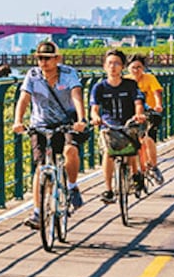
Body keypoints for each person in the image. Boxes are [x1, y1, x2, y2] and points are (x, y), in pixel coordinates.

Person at [11, 41, 88, 230]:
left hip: (66, 123)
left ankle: (71, 186)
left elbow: (77, 95)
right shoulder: (33, 75)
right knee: (41, 167)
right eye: (39, 58)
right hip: (41, 124)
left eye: (47, 58)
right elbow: (24, 98)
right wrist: (18, 121)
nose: (43, 62)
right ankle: (38, 212)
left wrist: (81, 119)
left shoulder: (69, 74)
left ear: (57, 59)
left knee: (70, 150)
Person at [90, 49, 147, 203]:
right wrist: (95, 117)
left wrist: (139, 114)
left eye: (117, 63)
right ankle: (108, 190)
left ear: (122, 67)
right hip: (109, 125)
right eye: (110, 63)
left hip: (128, 123)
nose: (113, 67)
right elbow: (94, 108)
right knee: (108, 154)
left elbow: (138, 103)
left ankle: (135, 174)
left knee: (131, 149)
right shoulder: (99, 88)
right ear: (104, 66)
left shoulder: (131, 85)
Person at [126, 55, 165, 184]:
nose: (136, 70)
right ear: (127, 68)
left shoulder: (150, 78)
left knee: (148, 138)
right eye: (133, 67)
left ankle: (153, 166)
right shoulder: (125, 81)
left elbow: (156, 93)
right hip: (131, 114)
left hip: (149, 113)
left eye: (139, 67)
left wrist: (158, 105)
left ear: (143, 68)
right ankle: (132, 172)